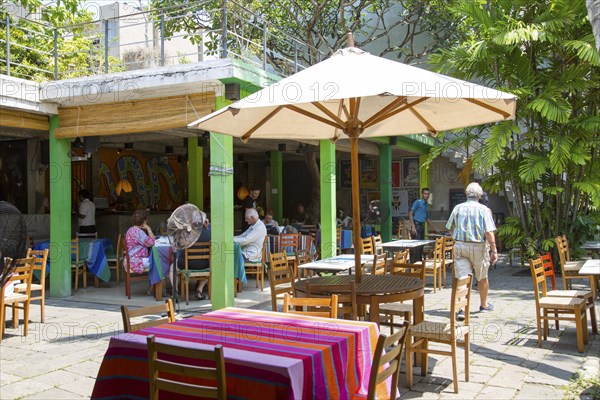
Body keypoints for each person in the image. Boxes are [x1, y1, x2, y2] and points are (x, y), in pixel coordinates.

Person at [446, 182, 497, 321]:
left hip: (461, 246)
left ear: (466, 194)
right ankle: (483, 304)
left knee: (462, 278)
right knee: (482, 276)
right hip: (478, 246)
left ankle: (461, 309)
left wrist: (456, 239)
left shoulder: (458, 208)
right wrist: (494, 250)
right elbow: (489, 232)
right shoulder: (484, 210)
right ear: (479, 195)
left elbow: (450, 227)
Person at [124, 209, 156, 295]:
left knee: (156, 261)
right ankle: (155, 289)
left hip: (129, 260)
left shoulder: (130, 230)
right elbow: (152, 242)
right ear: (143, 221)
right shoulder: (139, 232)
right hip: (136, 261)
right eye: (146, 219)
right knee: (158, 263)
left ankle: (154, 288)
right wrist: (149, 229)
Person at [185, 213, 211, 300]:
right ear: (204, 222)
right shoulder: (209, 233)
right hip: (204, 265)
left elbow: (181, 253)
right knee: (211, 265)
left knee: (172, 268)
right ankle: (199, 290)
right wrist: (206, 228)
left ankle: (176, 292)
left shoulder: (187, 233)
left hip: (187, 265)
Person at [408, 188, 436, 261]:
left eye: (428, 194)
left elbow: (427, 219)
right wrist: (413, 226)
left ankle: (419, 262)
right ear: (422, 194)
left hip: (422, 225)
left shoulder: (426, 205)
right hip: (416, 225)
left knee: (421, 244)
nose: (426, 195)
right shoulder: (418, 202)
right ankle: (413, 263)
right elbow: (410, 213)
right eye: (425, 193)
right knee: (415, 245)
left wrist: (435, 229)